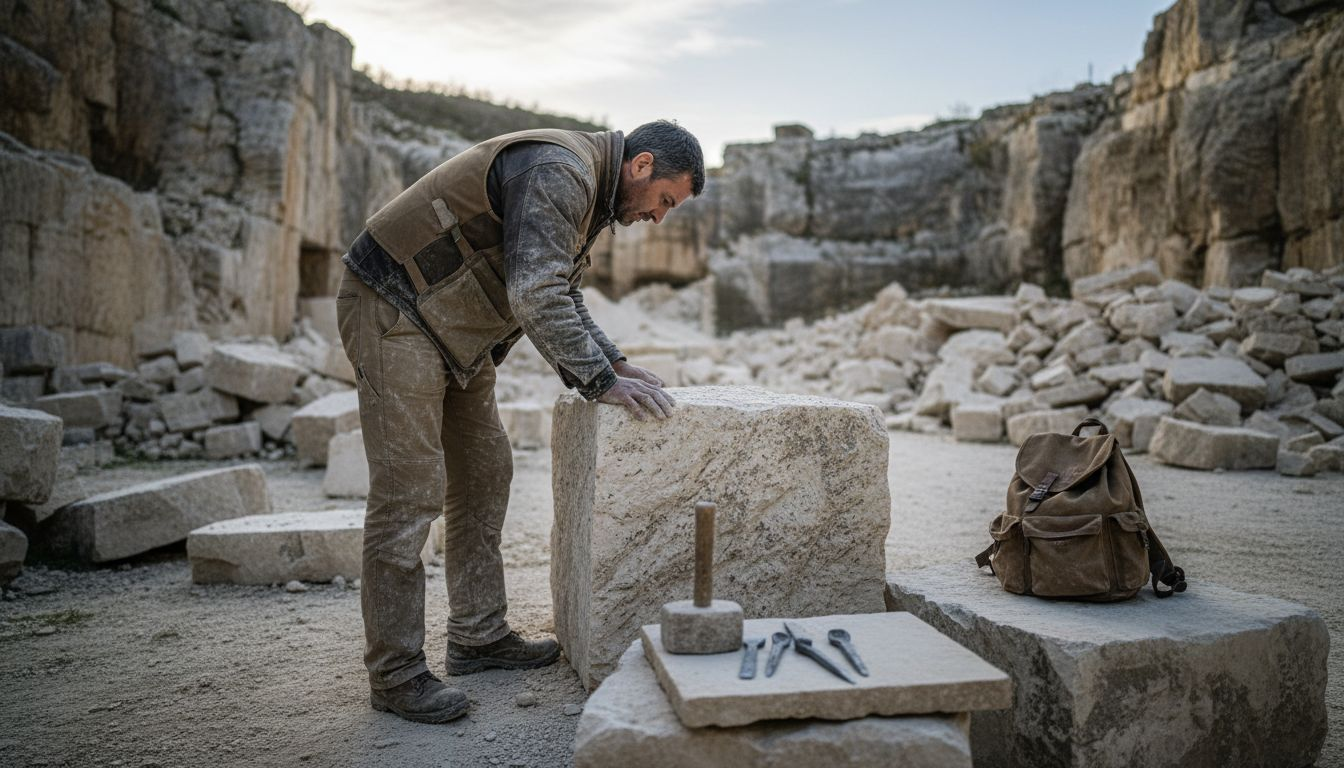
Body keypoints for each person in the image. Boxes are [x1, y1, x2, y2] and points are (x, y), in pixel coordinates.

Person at [336, 120, 705, 723]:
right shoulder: (561, 171)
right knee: (410, 493)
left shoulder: (588, 192)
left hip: (453, 327)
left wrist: (612, 360)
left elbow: (563, 286)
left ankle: (478, 638)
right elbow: (536, 292)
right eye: (664, 201)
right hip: (393, 304)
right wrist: (600, 381)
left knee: (485, 473)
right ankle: (396, 673)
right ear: (640, 166)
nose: (659, 218)